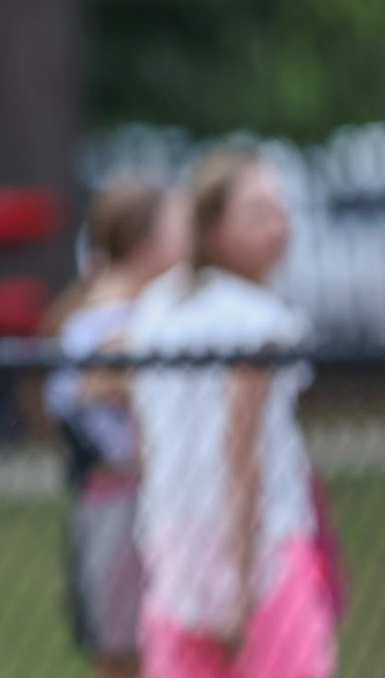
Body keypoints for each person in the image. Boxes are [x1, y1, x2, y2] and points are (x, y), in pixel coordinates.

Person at [127, 146, 337, 678]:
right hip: (259, 560)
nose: (279, 226)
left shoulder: (156, 309)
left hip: (173, 559)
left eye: (280, 210)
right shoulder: (259, 322)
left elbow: (149, 438)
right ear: (213, 229)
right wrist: (239, 587)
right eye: (258, 214)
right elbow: (241, 453)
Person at [43, 175, 191, 678]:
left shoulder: (154, 311)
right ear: (140, 240)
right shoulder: (106, 318)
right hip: (119, 501)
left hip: (159, 498)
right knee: (124, 649)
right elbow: (92, 388)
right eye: (181, 228)